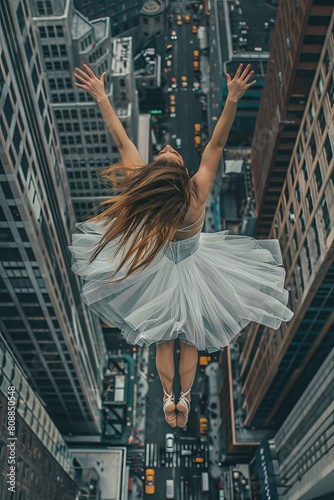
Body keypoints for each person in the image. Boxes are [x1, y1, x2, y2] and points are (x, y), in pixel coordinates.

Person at [68, 63, 294, 428]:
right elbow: (217, 143)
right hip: (195, 267)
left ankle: (170, 397)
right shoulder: (197, 193)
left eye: (164, 153)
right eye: (172, 153)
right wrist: (233, 98)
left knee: (162, 338)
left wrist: (101, 96)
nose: (169, 146)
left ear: (156, 173)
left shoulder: (144, 191)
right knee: (190, 337)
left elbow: (120, 138)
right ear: (181, 173)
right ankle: (182, 398)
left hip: (155, 270)